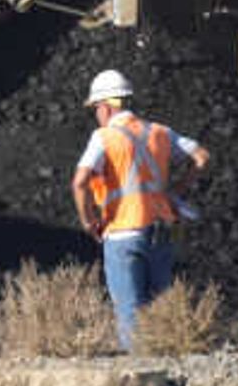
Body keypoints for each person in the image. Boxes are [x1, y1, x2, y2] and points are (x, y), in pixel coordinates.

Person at [70, 67, 210, 351]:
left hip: (122, 234)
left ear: (106, 106)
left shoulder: (104, 137)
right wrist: (177, 191)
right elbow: (202, 157)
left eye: (96, 108)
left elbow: (80, 182)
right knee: (161, 308)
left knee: (130, 311)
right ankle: (171, 369)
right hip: (159, 231)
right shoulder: (159, 132)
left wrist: (88, 221)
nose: (96, 114)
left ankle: (142, 375)